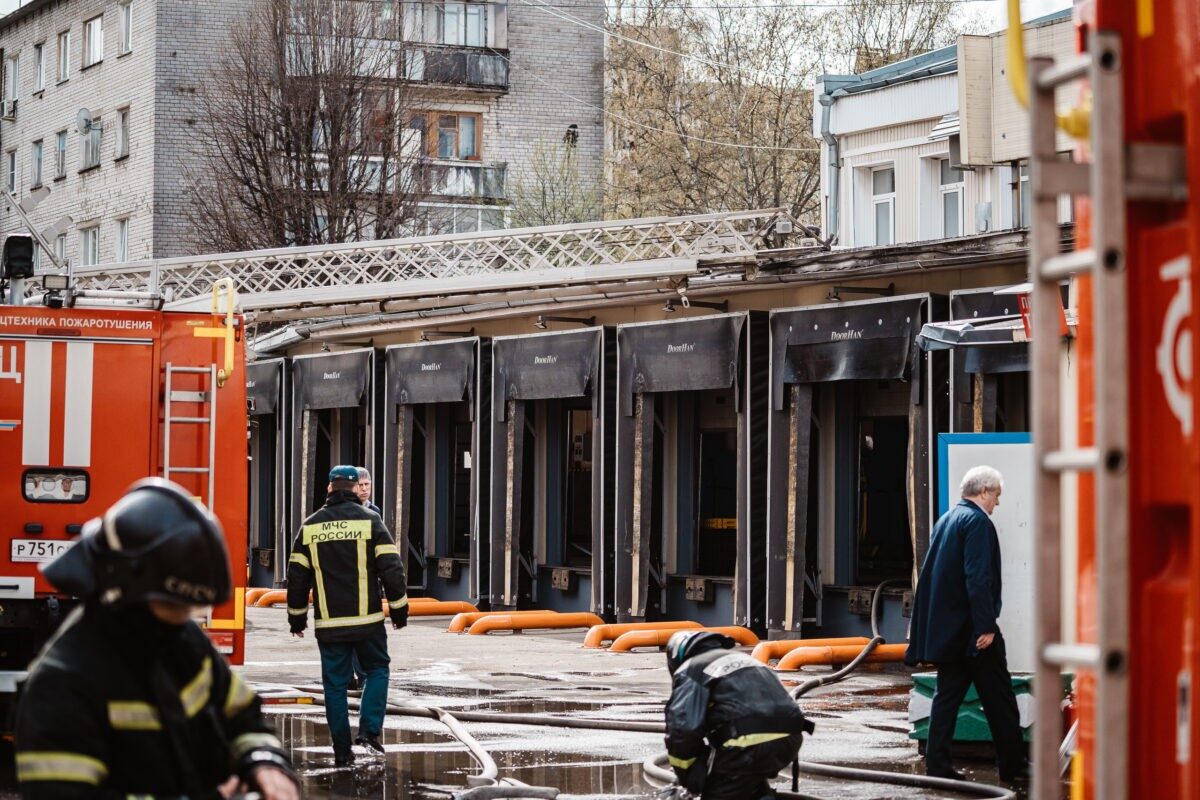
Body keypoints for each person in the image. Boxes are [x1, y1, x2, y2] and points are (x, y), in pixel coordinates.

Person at [15, 478, 298, 800]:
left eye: (190, 606)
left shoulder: (184, 644)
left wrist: (265, 762)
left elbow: (243, 715)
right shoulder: (62, 685)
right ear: (121, 590)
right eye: (171, 604)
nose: (184, 616)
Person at [905, 465, 1027, 784]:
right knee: (1000, 699)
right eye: (996, 495)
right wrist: (986, 626)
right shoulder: (977, 523)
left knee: (947, 698)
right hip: (974, 632)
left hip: (951, 633)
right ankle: (1013, 767)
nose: (997, 503)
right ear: (984, 492)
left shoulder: (946, 520)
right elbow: (978, 578)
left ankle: (937, 764)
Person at [287, 465, 409, 767]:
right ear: (356, 489)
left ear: (329, 488)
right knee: (378, 669)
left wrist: (296, 619)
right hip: (367, 622)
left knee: (335, 686)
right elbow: (392, 569)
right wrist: (399, 610)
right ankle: (369, 732)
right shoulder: (371, 521)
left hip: (329, 625)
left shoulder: (310, 526)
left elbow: (297, 578)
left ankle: (342, 750)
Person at [663, 631, 814, 800]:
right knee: (749, 787)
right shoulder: (747, 660)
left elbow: (681, 731)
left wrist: (688, 779)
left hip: (747, 745)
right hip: (790, 739)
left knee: (720, 792)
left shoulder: (691, 668)